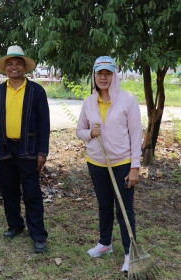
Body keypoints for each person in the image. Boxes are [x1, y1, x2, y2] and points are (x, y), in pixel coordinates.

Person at [76, 56, 142, 273]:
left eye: (108, 73)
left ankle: (129, 254)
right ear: (94, 75)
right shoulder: (88, 102)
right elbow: (79, 131)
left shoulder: (128, 100)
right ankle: (105, 243)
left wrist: (135, 167)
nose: (103, 78)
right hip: (96, 162)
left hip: (122, 163)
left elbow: (136, 134)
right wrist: (90, 133)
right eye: (99, 73)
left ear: (114, 75)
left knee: (125, 210)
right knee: (104, 205)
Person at [0, 45, 50, 253]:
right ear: (5, 68)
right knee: (9, 191)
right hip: (4, 148)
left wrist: (42, 151)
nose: (14, 68)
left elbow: (44, 124)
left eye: (18, 64)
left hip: (28, 149)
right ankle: (15, 225)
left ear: (24, 67)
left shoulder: (36, 91)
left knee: (31, 193)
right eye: (10, 64)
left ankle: (38, 234)